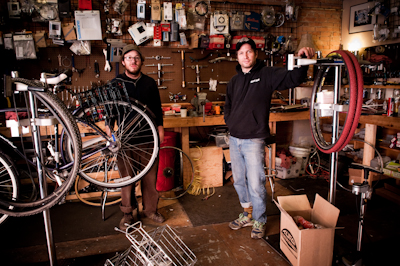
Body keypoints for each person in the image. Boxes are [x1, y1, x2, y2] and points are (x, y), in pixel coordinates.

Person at [224, 37, 315, 239]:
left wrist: (301, 62)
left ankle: (259, 219)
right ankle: (247, 214)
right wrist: (230, 122)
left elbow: (293, 79)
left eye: (249, 51)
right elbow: (227, 106)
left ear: (255, 54)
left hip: (253, 140)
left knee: (256, 182)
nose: (245, 55)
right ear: (237, 57)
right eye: (241, 53)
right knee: (239, 180)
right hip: (235, 138)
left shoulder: (266, 75)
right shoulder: (233, 81)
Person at [113, 44, 165, 230]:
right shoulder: (116, 83)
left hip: (148, 138)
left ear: (141, 61)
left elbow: (157, 109)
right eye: (129, 58)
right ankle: (128, 214)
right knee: (127, 179)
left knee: (150, 179)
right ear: (124, 62)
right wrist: (109, 132)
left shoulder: (149, 83)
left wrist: (160, 128)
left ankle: (150, 210)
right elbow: (111, 111)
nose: (133, 61)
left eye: (136, 58)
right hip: (125, 141)